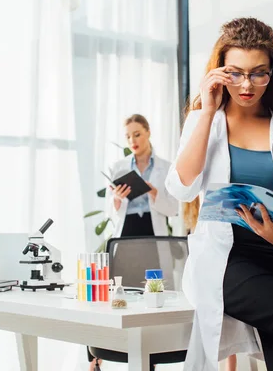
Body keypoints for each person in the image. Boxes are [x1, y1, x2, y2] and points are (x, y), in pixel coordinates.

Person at [165, 18, 273, 371]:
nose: (247, 85)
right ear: (219, 72)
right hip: (228, 260)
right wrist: (209, 110)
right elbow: (181, 188)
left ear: (272, 73)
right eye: (236, 73)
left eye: (258, 73)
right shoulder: (205, 122)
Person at [89, 114, 178, 371]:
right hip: (126, 234)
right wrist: (117, 199)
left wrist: (153, 191)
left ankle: (148, 358)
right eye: (128, 136)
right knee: (120, 292)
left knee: (154, 291)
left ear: (148, 132)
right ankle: (103, 356)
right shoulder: (118, 168)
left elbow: (173, 209)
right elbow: (112, 211)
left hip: (152, 231)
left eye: (137, 134)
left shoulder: (167, 166)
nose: (133, 140)